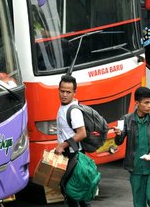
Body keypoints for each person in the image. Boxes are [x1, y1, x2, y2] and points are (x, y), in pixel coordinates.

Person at [114, 87, 150, 207]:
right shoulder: (126, 119)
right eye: (146, 102)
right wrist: (118, 135)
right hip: (135, 167)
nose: (149, 106)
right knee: (138, 203)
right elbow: (118, 142)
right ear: (137, 103)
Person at [53, 74, 90, 207]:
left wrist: (62, 145)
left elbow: (82, 133)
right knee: (75, 194)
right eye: (62, 91)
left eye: (68, 92)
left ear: (74, 92)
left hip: (74, 155)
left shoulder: (73, 111)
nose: (64, 95)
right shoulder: (63, 107)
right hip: (67, 155)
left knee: (72, 192)